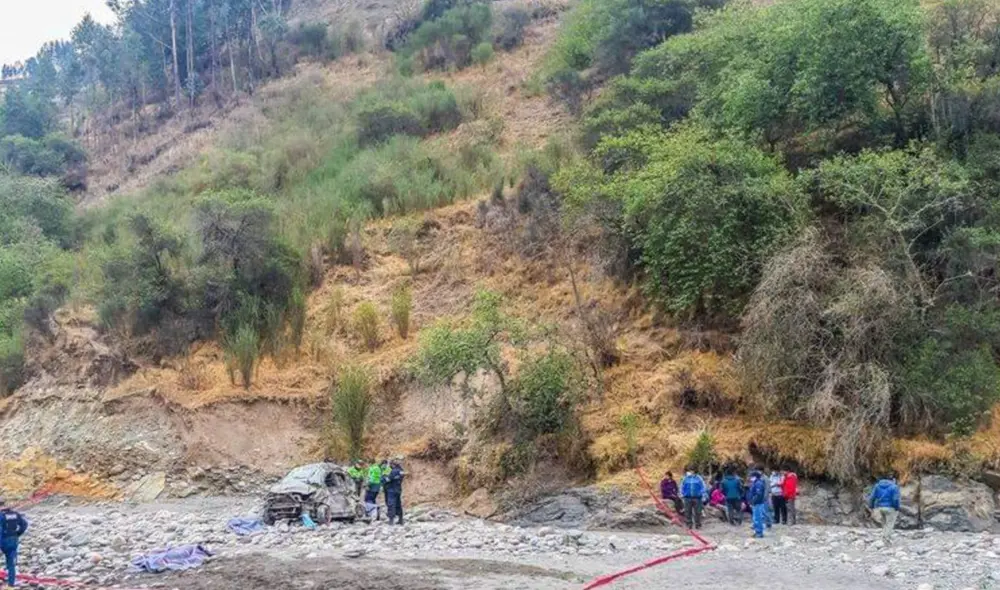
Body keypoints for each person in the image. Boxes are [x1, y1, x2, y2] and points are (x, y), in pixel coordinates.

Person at [0, 498, 28, 587]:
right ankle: (10, 586)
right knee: (11, 564)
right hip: (13, 540)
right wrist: (18, 533)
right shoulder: (15, 514)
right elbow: (24, 524)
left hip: (2, 540)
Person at [869, 475, 901, 544]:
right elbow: (895, 499)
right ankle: (886, 539)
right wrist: (897, 507)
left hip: (880, 507)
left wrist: (871, 506)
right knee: (889, 523)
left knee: (884, 523)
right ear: (892, 480)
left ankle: (884, 537)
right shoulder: (894, 487)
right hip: (890, 508)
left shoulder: (877, 486)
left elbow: (872, 497)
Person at [383, 459, 406, 525]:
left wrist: (384, 477)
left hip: (391, 490)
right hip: (398, 489)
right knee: (398, 504)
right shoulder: (401, 471)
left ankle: (391, 520)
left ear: (393, 465)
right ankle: (400, 519)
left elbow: (387, 480)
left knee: (391, 504)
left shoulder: (393, 471)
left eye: (390, 465)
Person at [748, 471, 768, 538]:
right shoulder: (756, 483)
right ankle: (757, 532)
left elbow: (758, 494)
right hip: (756, 503)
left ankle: (759, 533)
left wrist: (753, 501)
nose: (750, 478)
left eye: (751, 476)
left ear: (755, 476)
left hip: (758, 503)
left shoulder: (758, 483)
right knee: (755, 518)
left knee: (758, 518)